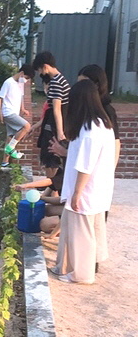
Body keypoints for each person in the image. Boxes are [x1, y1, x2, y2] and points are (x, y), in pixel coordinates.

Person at [49, 79, 115, 284]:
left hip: (86, 189)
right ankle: (65, 266)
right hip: (91, 187)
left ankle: (81, 274)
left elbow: (86, 166)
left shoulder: (91, 131)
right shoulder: (99, 125)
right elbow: (82, 156)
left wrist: (78, 192)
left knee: (82, 234)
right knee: (71, 229)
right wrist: (64, 151)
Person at [32, 51, 70, 170]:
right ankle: (53, 187)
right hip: (59, 121)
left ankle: (54, 186)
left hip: (54, 125)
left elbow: (56, 109)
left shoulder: (55, 83)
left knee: (51, 157)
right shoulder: (61, 79)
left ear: (45, 66)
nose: (39, 73)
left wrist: (60, 132)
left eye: (39, 69)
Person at [0, 64, 35, 167]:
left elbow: (21, 97)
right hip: (8, 113)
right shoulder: (8, 82)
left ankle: (5, 162)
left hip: (15, 112)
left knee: (10, 136)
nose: (26, 80)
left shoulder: (20, 84)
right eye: (26, 77)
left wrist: (22, 109)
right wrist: (0, 114)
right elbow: (0, 98)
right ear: (22, 73)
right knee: (26, 126)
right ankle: (11, 148)